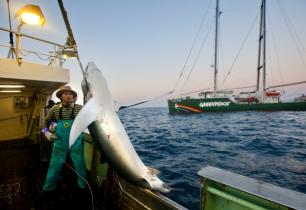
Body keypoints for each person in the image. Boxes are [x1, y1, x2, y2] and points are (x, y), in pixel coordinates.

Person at [42, 85, 87, 195]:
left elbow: (89, 119)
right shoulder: (55, 109)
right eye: (66, 94)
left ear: (73, 97)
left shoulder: (79, 108)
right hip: (60, 142)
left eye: (71, 94)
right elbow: (44, 123)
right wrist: (46, 132)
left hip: (75, 142)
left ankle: (83, 186)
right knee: (55, 166)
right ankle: (48, 188)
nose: (68, 96)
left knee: (80, 165)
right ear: (61, 96)